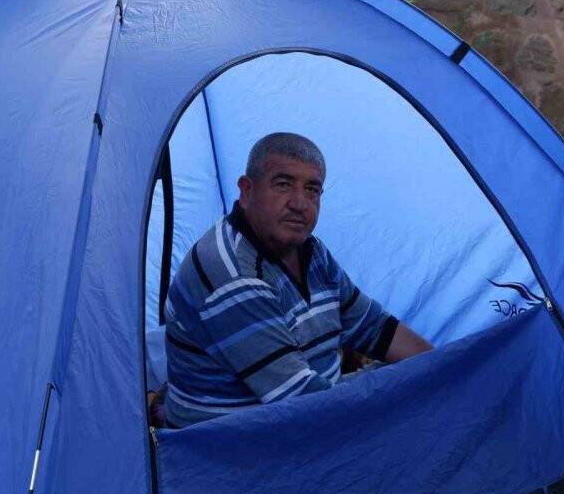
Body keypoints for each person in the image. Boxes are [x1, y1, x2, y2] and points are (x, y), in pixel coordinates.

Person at [163, 132, 432, 428]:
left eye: (312, 189)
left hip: (312, 407)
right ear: (247, 191)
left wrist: (443, 370)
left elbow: (374, 327)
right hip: (237, 441)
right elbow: (306, 405)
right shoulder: (232, 276)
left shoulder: (311, 252)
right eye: (283, 184)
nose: (300, 203)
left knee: (424, 384)